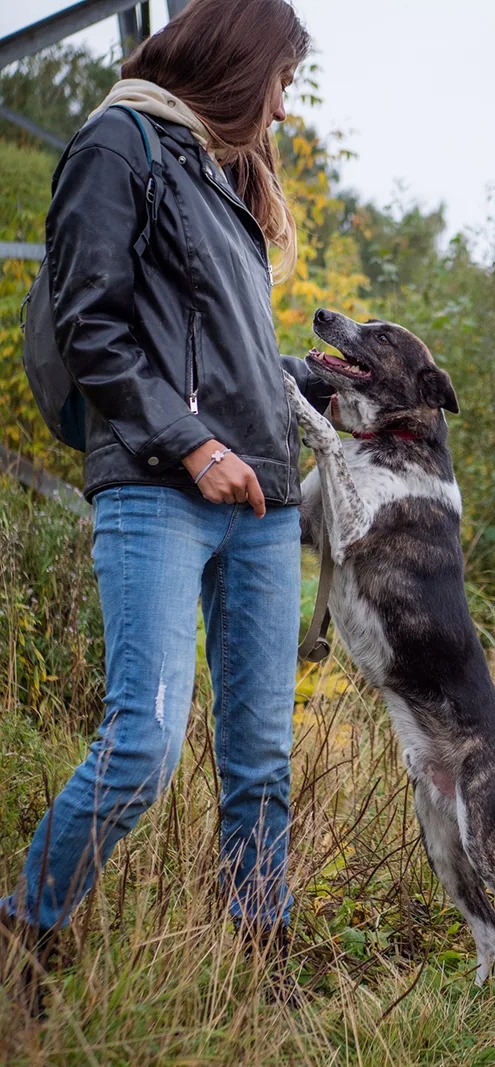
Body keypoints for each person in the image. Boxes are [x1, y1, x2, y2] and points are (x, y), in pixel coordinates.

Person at [0, 0, 332, 1006]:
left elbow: (219, 360)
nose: (281, 109)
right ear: (237, 62)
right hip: (160, 488)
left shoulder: (220, 176)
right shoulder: (120, 141)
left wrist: (305, 376)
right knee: (142, 743)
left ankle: (254, 965)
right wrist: (190, 443)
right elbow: (89, 323)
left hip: (264, 502)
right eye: (280, 81)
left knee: (261, 758)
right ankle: (24, 939)